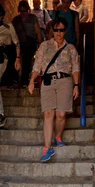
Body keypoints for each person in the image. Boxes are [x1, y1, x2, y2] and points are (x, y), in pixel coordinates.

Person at [28, 19, 80, 162]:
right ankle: (47, 147)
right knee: (48, 113)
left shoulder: (70, 49)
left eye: (61, 30)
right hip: (48, 81)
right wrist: (32, 80)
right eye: (56, 30)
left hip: (65, 81)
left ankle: (58, 136)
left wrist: (76, 85)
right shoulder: (45, 46)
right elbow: (37, 64)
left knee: (61, 114)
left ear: (65, 31)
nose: (58, 33)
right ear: (51, 31)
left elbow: (75, 68)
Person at [12, 0, 42, 87]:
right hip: (19, 42)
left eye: (24, 11)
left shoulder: (33, 18)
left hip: (30, 41)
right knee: (17, 59)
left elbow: (38, 31)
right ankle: (16, 79)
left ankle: (24, 80)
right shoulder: (16, 20)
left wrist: (39, 43)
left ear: (28, 9)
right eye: (21, 11)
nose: (23, 13)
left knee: (27, 60)